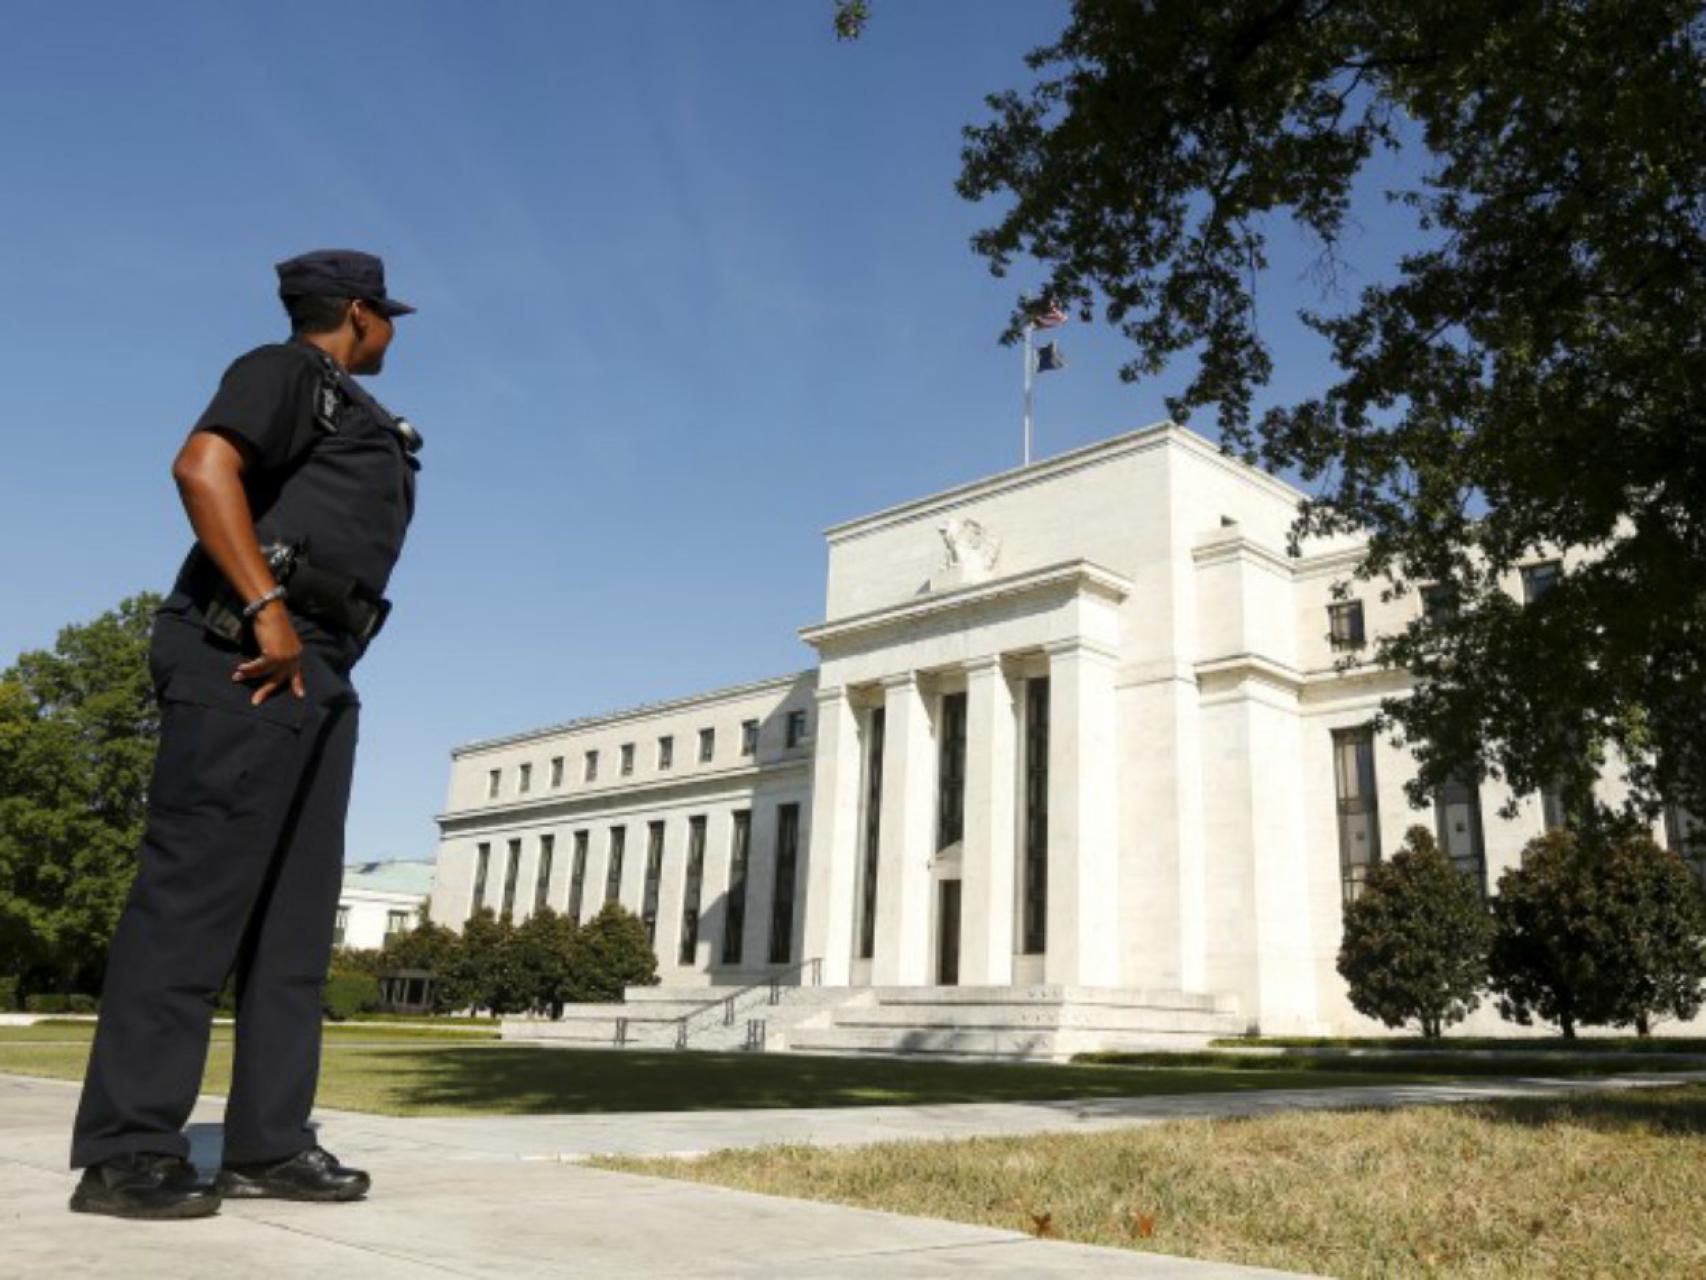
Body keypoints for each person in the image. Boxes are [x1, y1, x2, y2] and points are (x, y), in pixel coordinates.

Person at [67, 250, 422, 1219]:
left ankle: (268, 1141)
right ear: (357, 311)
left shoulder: (343, 399)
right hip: (249, 650)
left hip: (320, 660)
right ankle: (128, 1147)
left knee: (293, 924)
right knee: (190, 904)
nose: (394, 332)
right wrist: (266, 608)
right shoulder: (284, 370)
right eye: (388, 316)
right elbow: (202, 463)